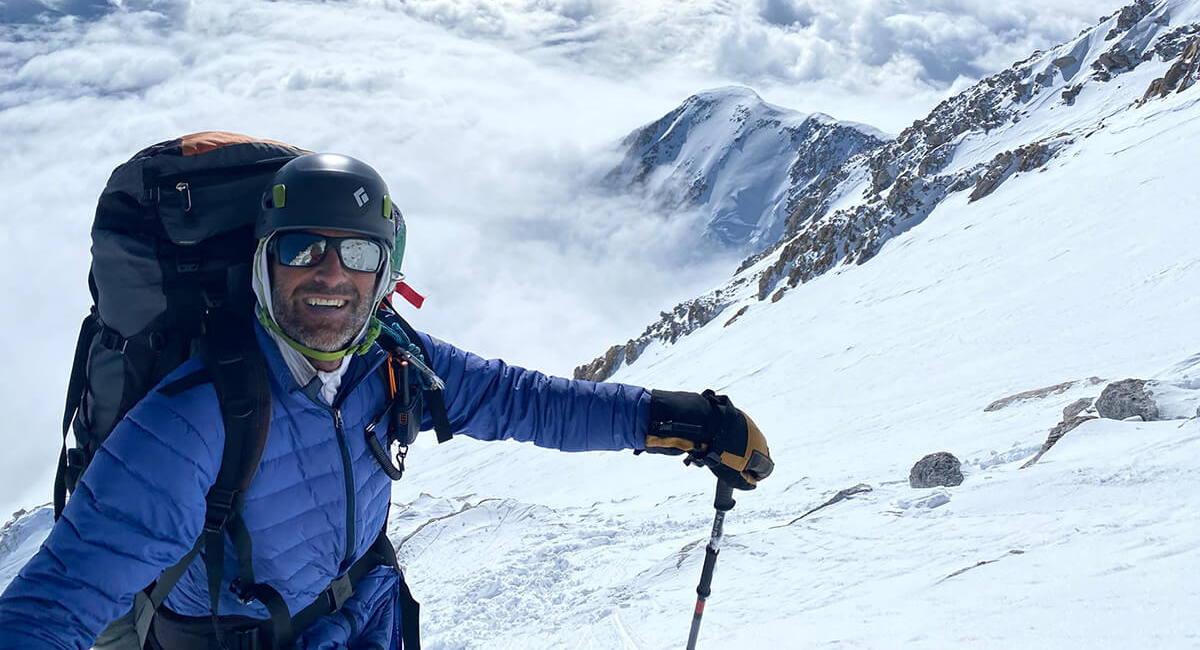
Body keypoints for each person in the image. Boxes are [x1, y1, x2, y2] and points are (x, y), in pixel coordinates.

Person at [0, 153, 773, 649]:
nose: (330, 274)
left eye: (358, 253)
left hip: (370, 621)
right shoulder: (195, 419)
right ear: (264, 265)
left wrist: (676, 421)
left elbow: (524, 400)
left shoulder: (390, 361)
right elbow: (57, 599)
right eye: (302, 248)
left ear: (386, 274)